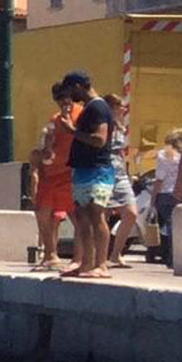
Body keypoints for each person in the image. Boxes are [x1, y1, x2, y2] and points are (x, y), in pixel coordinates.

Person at [57, 70, 115, 279]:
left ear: (79, 86)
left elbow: (100, 139)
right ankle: (86, 263)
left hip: (97, 170)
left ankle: (101, 264)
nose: (70, 95)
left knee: (96, 215)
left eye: (70, 89)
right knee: (82, 217)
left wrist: (72, 130)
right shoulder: (89, 108)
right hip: (82, 170)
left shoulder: (98, 107)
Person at [31, 82, 76, 271]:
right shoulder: (54, 120)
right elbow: (44, 149)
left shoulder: (81, 115)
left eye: (66, 96)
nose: (63, 101)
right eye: (59, 98)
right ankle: (50, 255)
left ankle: (82, 258)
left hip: (70, 172)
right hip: (52, 174)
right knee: (44, 213)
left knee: (78, 216)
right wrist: (45, 152)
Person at [102, 94, 140, 268]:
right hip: (104, 172)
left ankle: (116, 253)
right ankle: (101, 255)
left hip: (120, 173)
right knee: (103, 215)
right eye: (120, 106)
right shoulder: (102, 125)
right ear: (111, 108)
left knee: (131, 213)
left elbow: (122, 151)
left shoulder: (121, 127)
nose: (124, 109)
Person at [155, 129, 182, 267]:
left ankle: (171, 257)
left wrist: (153, 197)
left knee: (169, 226)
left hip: (166, 193)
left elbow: (160, 178)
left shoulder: (163, 155)